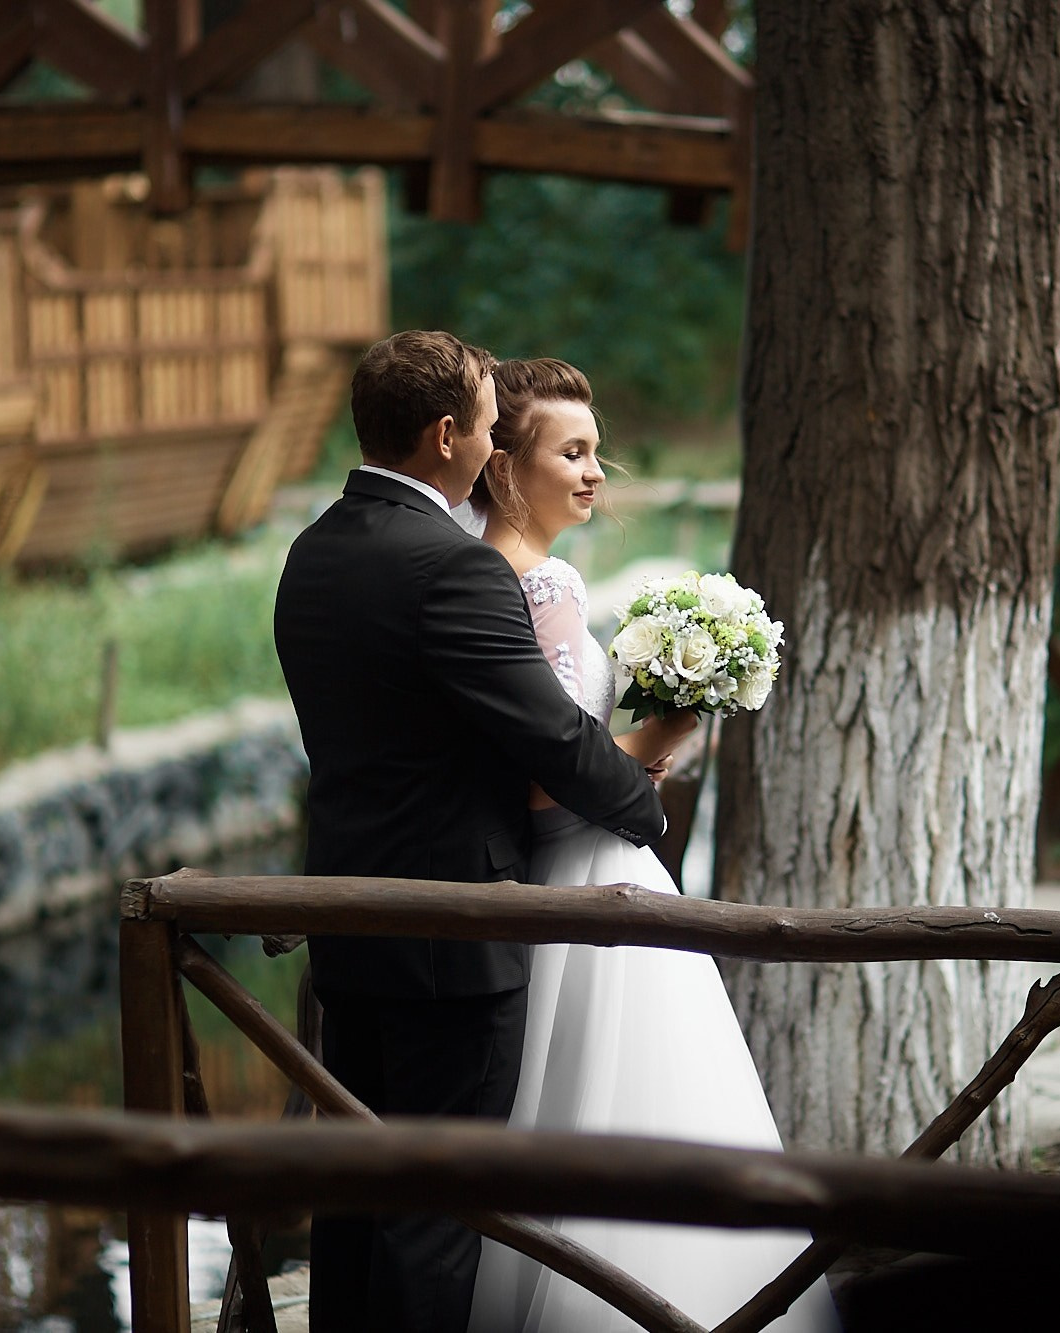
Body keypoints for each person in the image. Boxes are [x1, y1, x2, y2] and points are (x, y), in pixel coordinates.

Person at [272, 331, 672, 1333]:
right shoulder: (451, 568)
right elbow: (551, 740)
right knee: (439, 1207)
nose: (492, 443)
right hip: (449, 936)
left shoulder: (313, 550)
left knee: (358, 1192)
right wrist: (644, 808)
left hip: (344, 922)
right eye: (489, 424)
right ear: (446, 435)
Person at [463, 359, 840, 1333]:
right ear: (503, 465)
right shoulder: (540, 583)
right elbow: (553, 786)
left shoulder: (484, 572)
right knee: (635, 1105)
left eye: (598, 454)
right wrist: (668, 729)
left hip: (551, 875)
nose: (594, 473)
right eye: (571, 452)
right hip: (588, 871)